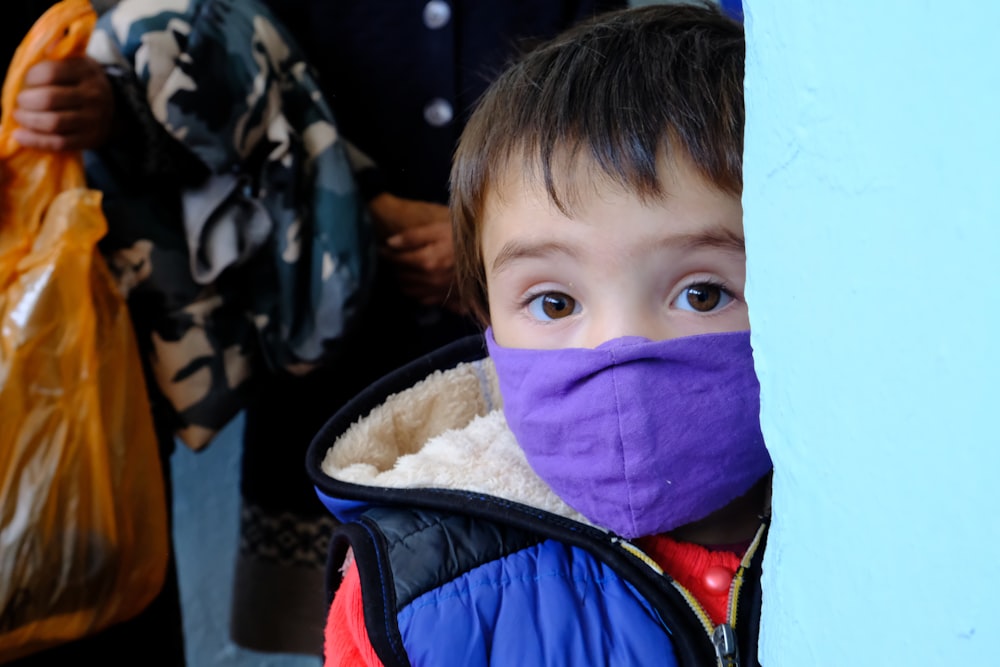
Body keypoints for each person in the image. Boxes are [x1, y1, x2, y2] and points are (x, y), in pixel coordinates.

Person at [305, 3, 773, 665]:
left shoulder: (875, 520)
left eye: (701, 293)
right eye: (555, 302)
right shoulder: (408, 587)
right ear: (486, 317)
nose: (617, 347)